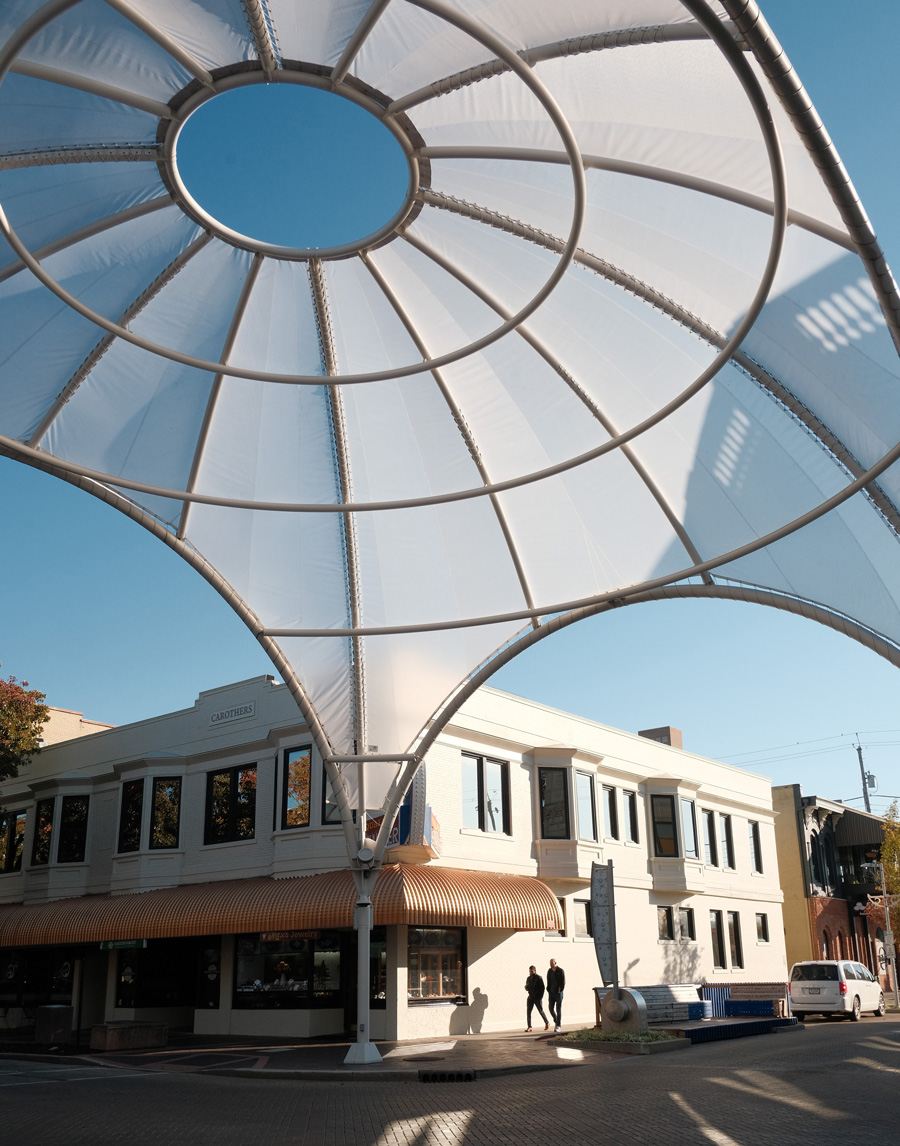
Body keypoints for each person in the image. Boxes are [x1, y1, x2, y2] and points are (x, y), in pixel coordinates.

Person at [524, 964, 549, 1031]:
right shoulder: (528, 978)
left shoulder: (539, 978)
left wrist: (540, 997)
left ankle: (547, 1022)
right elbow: (527, 986)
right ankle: (529, 1026)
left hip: (537, 997)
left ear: (534, 971)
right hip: (530, 997)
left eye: (532, 971)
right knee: (528, 1011)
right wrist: (527, 987)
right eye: (529, 971)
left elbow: (542, 988)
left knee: (540, 1011)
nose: (530, 973)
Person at [546, 958, 565, 1032]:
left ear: (555, 962)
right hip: (551, 993)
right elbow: (548, 980)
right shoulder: (549, 971)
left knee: (558, 1009)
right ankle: (557, 1021)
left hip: (558, 993)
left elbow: (563, 982)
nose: (551, 964)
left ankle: (558, 1026)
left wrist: (560, 990)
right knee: (550, 1008)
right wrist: (548, 989)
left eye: (552, 962)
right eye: (550, 962)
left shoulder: (560, 971)